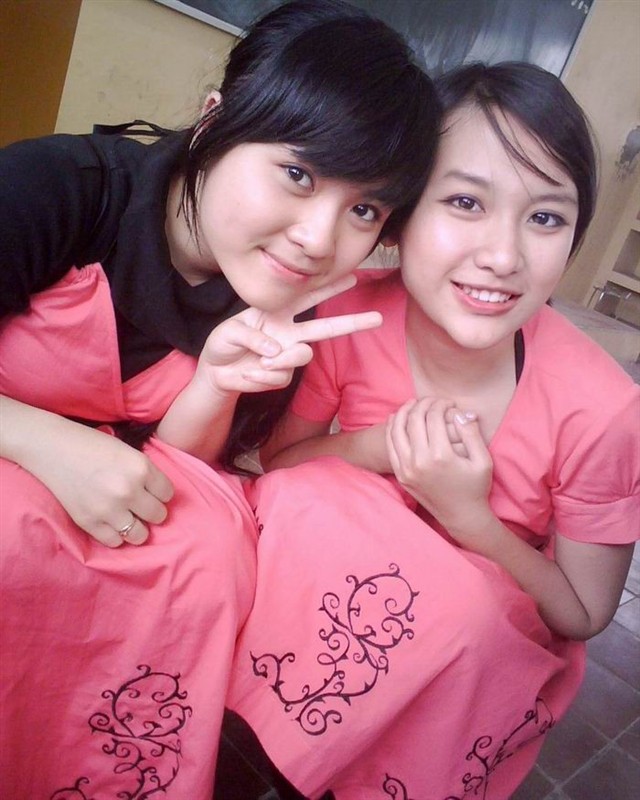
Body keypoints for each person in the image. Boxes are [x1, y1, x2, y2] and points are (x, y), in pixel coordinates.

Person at [0, 1, 440, 796]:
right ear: (214, 123)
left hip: (106, 511)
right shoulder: (58, 191)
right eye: (298, 174)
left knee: (211, 549)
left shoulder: (288, 308)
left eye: (363, 209)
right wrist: (45, 442)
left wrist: (215, 383)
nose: (318, 239)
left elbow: (179, 468)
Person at [218, 63, 640, 799]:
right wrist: (377, 447)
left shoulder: (602, 410)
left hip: (454, 667)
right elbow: (277, 469)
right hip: (312, 633)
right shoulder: (349, 315)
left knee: (459, 613)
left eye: (545, 217)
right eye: (466, 202)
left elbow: (583, 612)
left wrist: (469, 517)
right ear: (402, 214)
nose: (503, 256)